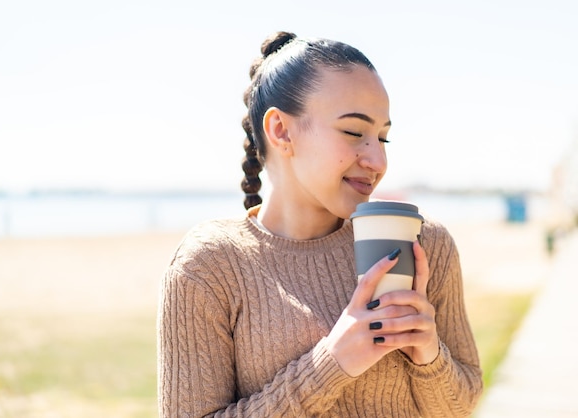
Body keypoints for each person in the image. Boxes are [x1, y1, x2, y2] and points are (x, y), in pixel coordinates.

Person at [157, 31, 483, 417]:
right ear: (281, 131)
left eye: (383, 138)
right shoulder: (208, 267)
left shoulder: (423, 243)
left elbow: (461, 407)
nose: (377, 161)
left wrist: (429, 356)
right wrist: (330, 365)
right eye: (353, 132)